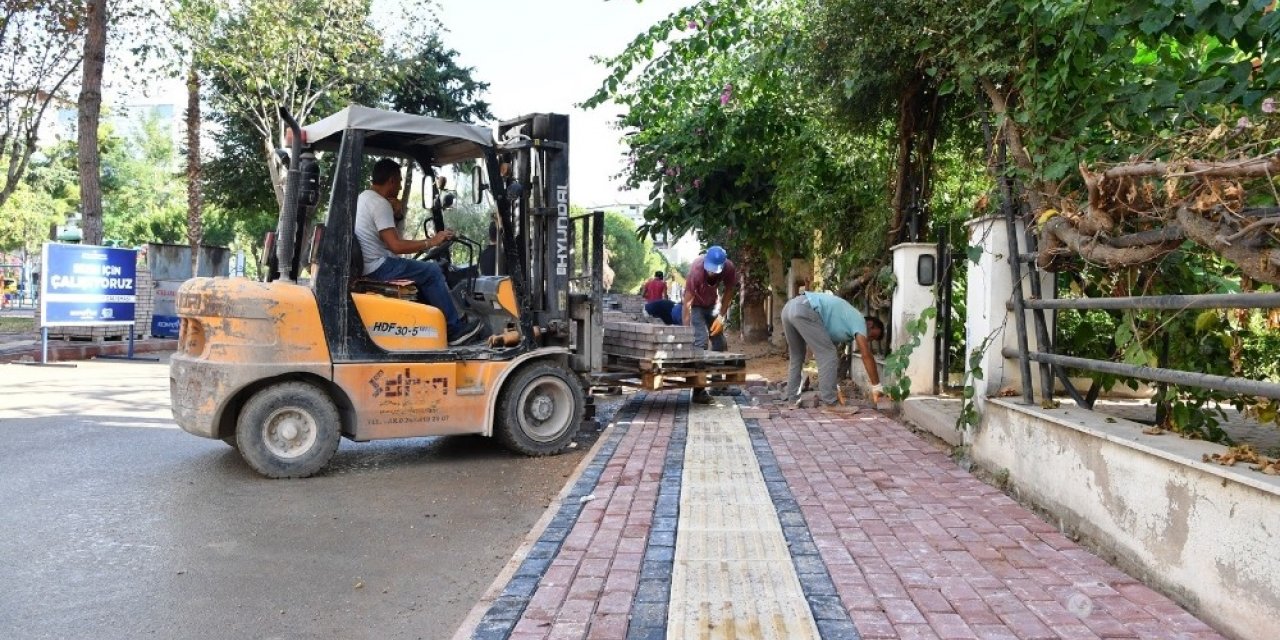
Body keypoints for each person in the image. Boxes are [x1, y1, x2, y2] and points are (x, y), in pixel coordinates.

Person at [355, 158, 482, 346]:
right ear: (391, 180)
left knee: (422, 271)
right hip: (378, 267)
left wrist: (397, 215)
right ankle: (454, 331)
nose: (399, 188)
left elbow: (385, 238)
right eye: (398, 182)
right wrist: (431, 241)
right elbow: (396, 246)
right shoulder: (379, 204)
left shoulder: (363, 198)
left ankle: (434, 326)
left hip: (369, 264)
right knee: (431, 271)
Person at [782, 291, 885, 413]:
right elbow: (866, 355)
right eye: (872, 336)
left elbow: (828, 366)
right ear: (869, 324)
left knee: (797, 356)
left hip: (789, 308)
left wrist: (834, 388)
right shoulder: (859, 321)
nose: (869, 340)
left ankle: (792, 400)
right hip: (804, 308)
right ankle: (831, 404)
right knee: (828, 354)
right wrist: (877, 387)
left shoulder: (843, 324)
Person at [683, 245, 738, 404]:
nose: (712, 273)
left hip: (713, 305)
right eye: (710, 269)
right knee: (700, 341)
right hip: (696, 306)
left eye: (715, 270)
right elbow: (687, 304)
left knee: (719, 341)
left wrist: (721, 317)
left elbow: (729, 291)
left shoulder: (728, 268)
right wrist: (686, 331)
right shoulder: (697, 270)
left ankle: (717, 384)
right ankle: (698, 391)